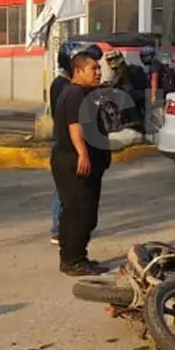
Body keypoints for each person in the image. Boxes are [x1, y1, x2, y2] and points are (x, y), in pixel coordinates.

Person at [51, 51, 111, 276]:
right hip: (73, 161)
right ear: (78, 71)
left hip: (82, 161)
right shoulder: (75, 93)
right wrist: (83, 154)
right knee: (79, 211)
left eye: (98, 68)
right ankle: (71, 260)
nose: (98, 72)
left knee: (82, 211)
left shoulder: (83, 93)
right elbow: (74, 126)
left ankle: (77, 256)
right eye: (93, 69)